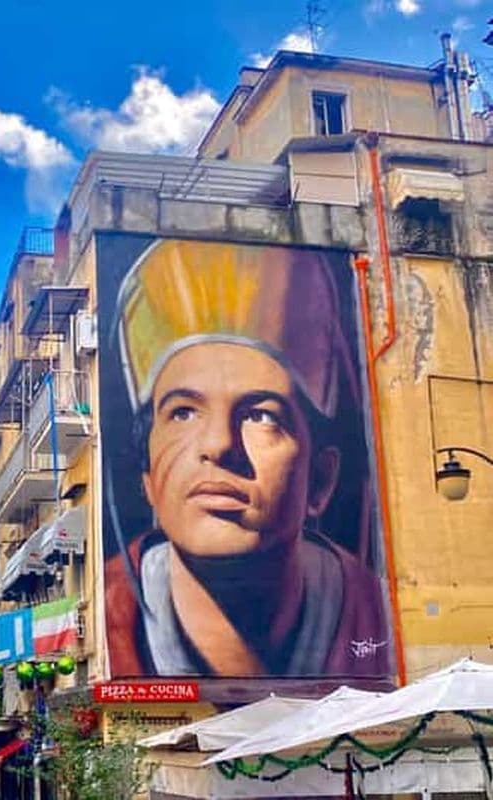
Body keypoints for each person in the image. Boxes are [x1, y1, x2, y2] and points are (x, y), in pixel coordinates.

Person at [104, 239, 391, 679]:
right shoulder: (111, 613)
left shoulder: (377, 619)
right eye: (183, 412)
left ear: (320, 480)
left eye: (261, 415)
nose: (219, 445)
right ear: (147, 478)